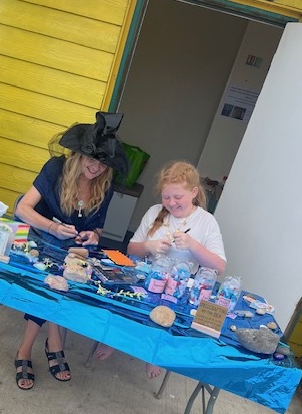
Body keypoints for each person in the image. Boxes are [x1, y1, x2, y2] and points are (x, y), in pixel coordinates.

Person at [14, 112, 129, 390]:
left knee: (70, 274)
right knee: (55, 278)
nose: (96, 167)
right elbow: (22, 209)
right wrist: (53, 229)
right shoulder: (56, 169)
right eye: (91, 159)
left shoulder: (105, 185)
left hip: (70, 247)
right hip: (37, 235)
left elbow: (98, 229)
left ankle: (29, 348)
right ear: (79, 155)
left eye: (103, 163)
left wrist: (93, 235)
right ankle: (48, 343)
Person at [95, 160, 226, 378]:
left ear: (194, 192)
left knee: (166, 316)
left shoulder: (206, 221)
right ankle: (117, 340)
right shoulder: (156, 211)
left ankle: (151, 354)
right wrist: (149, 246)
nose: (171, 203)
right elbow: (131, 250)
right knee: (130, 303)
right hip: (146, 278)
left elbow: (219, 266)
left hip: (177, 287)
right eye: (167, 197)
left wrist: (193, 246)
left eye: (178, 197)